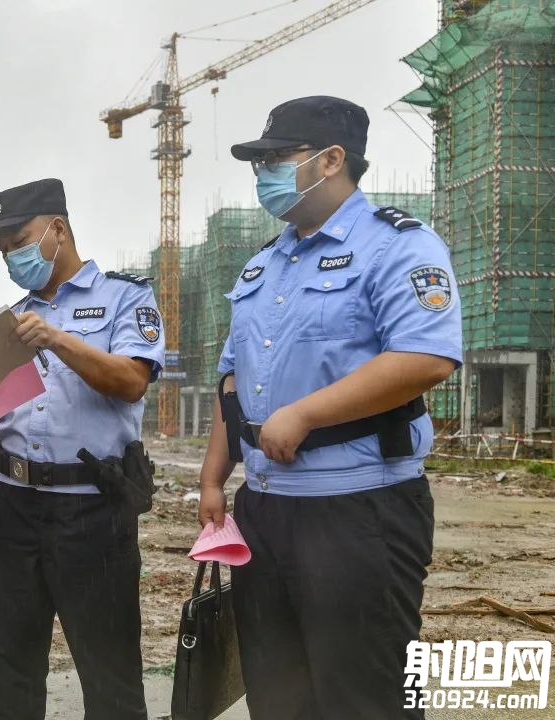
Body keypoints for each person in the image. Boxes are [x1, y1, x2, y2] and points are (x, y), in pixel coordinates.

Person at [196, 96, 463, 719]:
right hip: (264, 511)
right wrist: (213, 478)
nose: (262, 175)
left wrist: (307, 414)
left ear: (331, 160)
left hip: (360, 509)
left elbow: (427, 357)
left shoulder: (398, 246)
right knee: (278, 697)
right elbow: (232, 381)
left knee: (367, 697)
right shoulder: (262, 266)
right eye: (258, 164)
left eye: (275, 160)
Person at [0, 178, 166, 720]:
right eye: (3, 251)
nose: (11, 258)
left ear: (58, 229)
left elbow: (131, 382)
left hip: (93, 509)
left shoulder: (124, 297)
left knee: (110, 678)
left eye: (19, 241)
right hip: (14, 509)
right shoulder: (9, 324)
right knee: (11, 675)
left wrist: (58, 339)